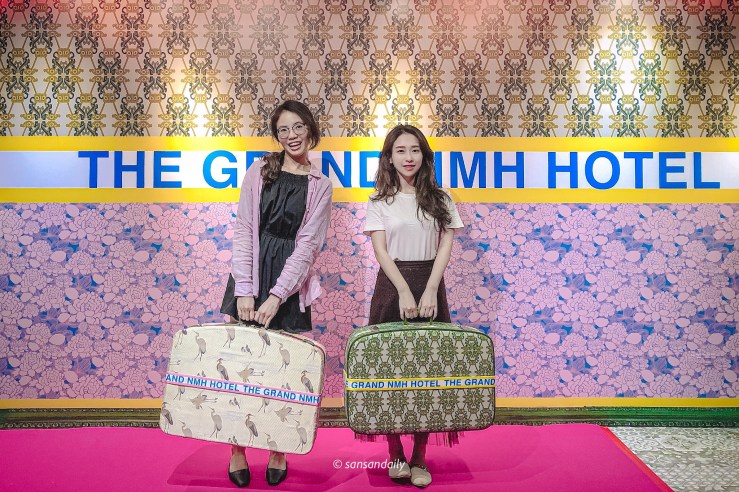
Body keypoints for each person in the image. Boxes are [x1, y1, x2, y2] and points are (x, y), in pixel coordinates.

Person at [219, 100, 333, 487]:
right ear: (276, 135)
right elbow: (244, 229)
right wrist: (246, 291)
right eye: (283, 129)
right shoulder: (259, 171)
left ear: (310, 128)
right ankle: (237, 449)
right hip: (250, 274)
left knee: (280, 373)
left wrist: (277, 295)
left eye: (298, 126)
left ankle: (277, 448)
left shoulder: (321, 185)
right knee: (241, 368)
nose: (292, 135)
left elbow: (307, 247)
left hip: (288, 283)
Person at [362, 125, 464, 488]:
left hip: (430, 284)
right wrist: (404, 291)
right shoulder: (379, 201)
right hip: (392, 287)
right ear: (389, 158)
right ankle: (395, 452)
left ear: (424, 156)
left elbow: (445, 246)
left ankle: (419, 455)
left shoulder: (441, 198)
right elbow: (381, 252)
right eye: (401, 150)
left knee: (428, 374)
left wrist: (431, 289)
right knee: (390, 373)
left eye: (415, 150)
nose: (409, 157)